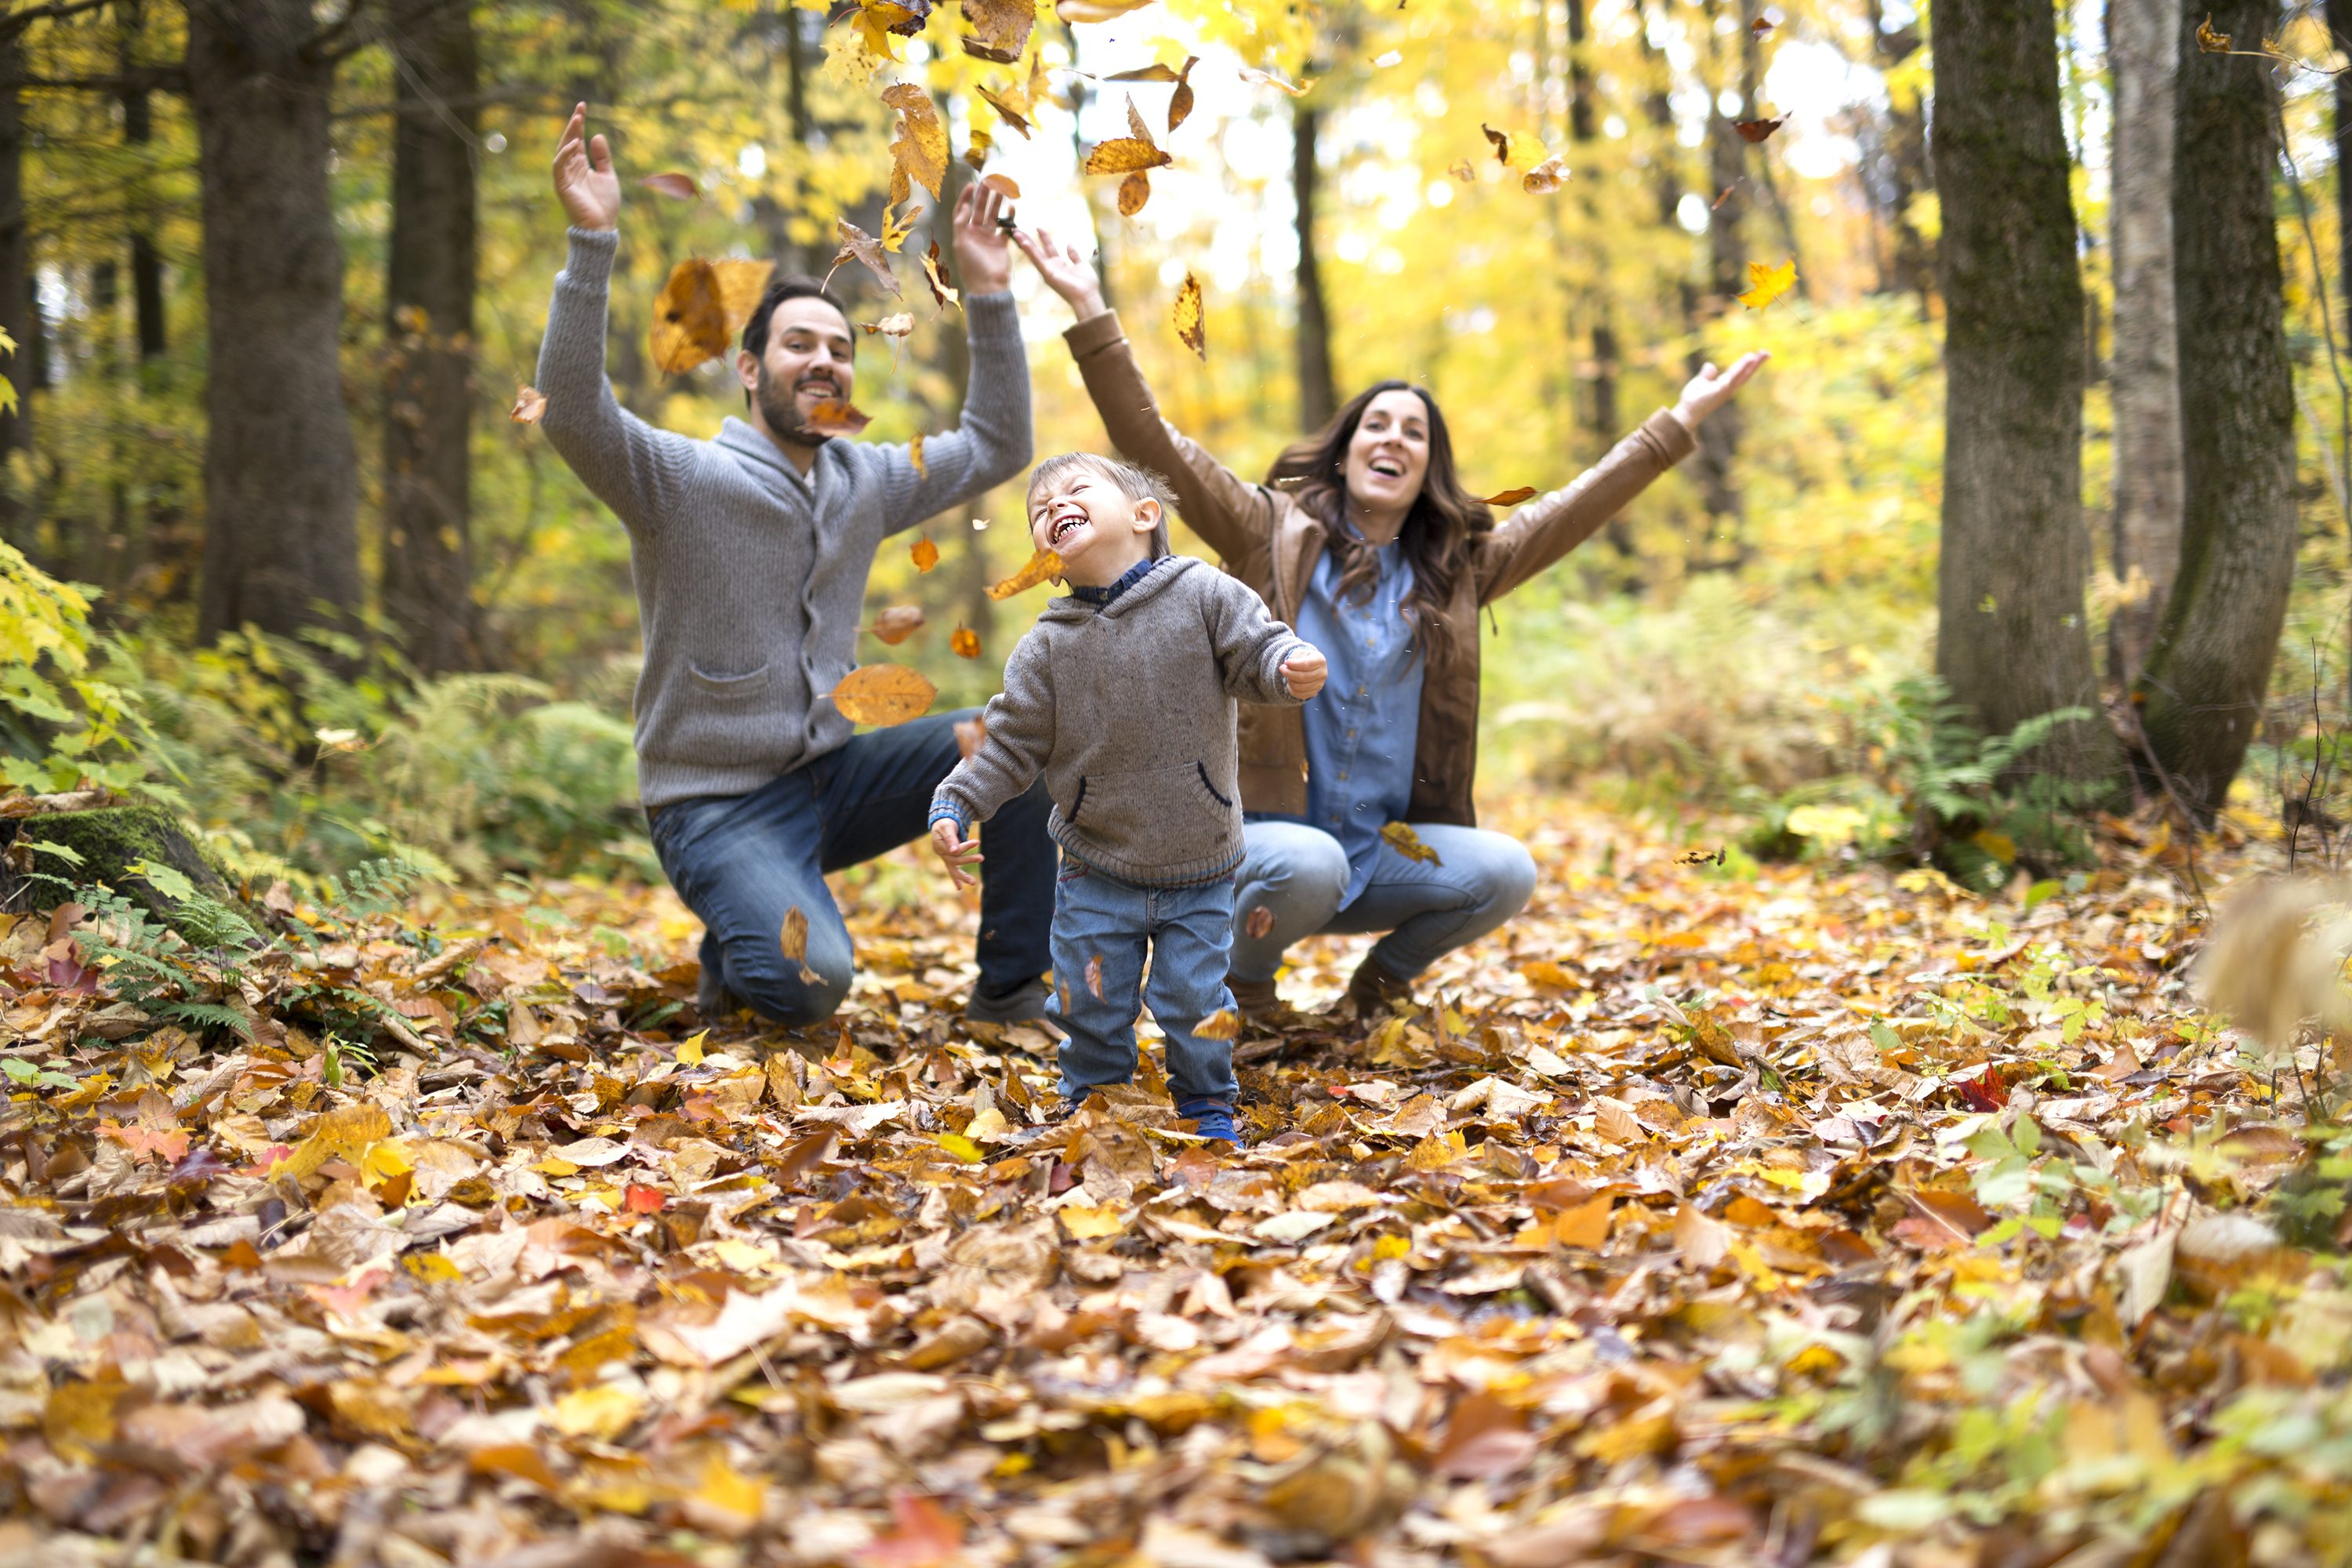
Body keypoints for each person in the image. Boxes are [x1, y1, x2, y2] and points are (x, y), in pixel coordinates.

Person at [1012, 228, 1767, 1019]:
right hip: (1261, 850)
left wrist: (1678, 422)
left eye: (1415, 432)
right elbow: (1152, 442)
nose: (1394, 439)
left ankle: (1376, 988)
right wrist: (1089, 309)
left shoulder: (1457, 571)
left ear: (1427, 468)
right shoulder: (1266, 532)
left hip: (1378, 853)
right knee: (1309, 862)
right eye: (1377, 424)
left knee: (1505, 871)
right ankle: (1244, 982)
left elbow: (1571, 511)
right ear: (1346, 452)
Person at [535, 103, 1051, 1030]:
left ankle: (1010, 990)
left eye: (841, 351)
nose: (825, 362)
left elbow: (998, 442)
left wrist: (988, 291)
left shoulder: (866, 479)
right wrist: (591, 242)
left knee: (1016, 741)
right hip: (714, 805)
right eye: (800, 344)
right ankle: (740, 935)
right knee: (810, 982)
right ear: (748, 369)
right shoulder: (680, 479)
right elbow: (572, 411)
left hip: (835, 778)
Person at [927, 453, 1327, 1141]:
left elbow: (1256, 650)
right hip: (1095, 866)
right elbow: (1009, 744)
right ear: (1046, 559)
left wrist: (1287, 667)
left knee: (1195, 997)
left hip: (1200, 858)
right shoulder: (1046, 648)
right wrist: (955, 803)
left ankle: (1206, 1103)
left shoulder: (1203, 593)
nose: (1054, 506)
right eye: (1039, 511)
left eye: (1075, 490)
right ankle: (1095, 1100)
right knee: (1089, 999)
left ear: (1144, 515)